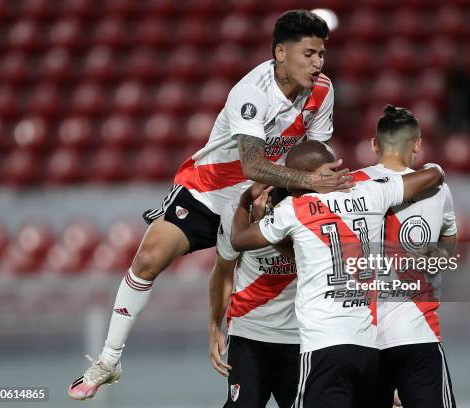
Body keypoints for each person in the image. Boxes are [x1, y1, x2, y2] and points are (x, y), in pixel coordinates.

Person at [68, 10, 353, 400]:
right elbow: (253, 162)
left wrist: (311, 191)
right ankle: (109, 359)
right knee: (149, 257)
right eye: (309, 54)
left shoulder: (323, 90)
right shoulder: (251, 92)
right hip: (208, 191)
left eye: (321, 54)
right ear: (280, 52)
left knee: (311, 259)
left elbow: (313, 156)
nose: (318, 63)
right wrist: (309, 182)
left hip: (263, 193)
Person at [230, 140, 445, 408]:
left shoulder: (294, 210)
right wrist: (434, 166)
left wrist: (243, 203)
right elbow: (433, 176)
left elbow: (238, 240)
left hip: (324, 347)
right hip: (368, 350)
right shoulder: (370, 192)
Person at [352, 105, 458, 407]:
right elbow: (449, 241)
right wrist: (438, 256)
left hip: (362, 335)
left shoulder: (349, 186)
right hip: (418, 333)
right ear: (418, 144)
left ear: (375, 144)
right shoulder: (438, 189)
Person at [209, 186, 299, 408]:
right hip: (250, 333)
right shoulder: (238, 211)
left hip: (304, 336)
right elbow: (223, 270)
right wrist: (214, 325)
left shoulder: (316, 209)